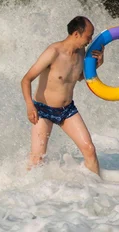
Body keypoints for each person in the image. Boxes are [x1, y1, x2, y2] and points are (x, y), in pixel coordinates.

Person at [20, 16, 104, 175]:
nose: (91, 40)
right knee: (37, 160)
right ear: (76, 34)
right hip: (43, 111)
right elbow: (26, 80)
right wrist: (30, 105)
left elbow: (77, 77)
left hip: (67, 110)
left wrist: (98, 64)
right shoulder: (53, 52)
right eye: (89, 35)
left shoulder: (81, 53)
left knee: (89, 150)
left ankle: (98, 188)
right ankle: (25, 192)